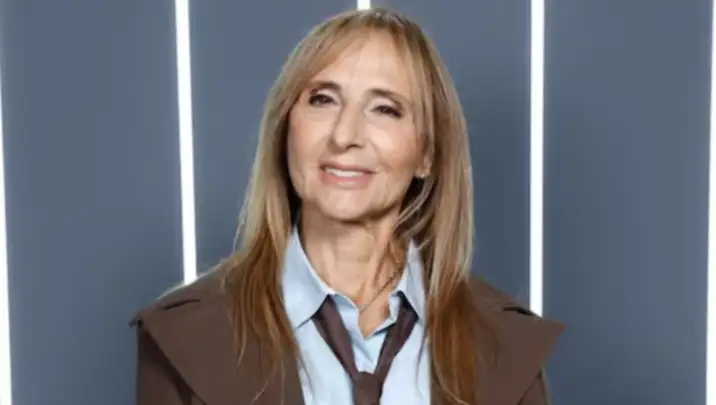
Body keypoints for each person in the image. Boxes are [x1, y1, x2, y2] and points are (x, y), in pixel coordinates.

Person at [131, 7, 564, 405]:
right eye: (323, 99)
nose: (344, 136)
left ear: (426, 154)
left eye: (385, 109)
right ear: (286, 129)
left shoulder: (506, 348)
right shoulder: (186, 339)